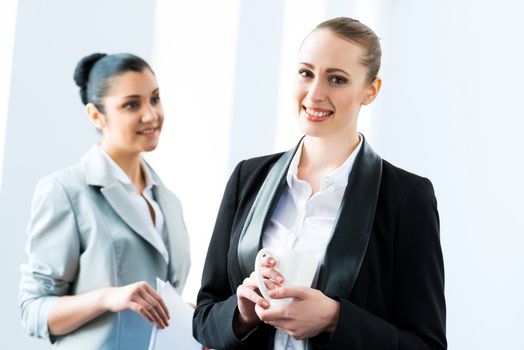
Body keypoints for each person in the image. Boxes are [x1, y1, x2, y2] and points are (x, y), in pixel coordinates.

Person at [193, 17, 446, 350]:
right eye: (306, 73)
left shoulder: (406, 198)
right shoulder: (248, 178)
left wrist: (335, 318)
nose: (314, 94)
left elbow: (426, 344)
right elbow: (204, 319)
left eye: (337, 79)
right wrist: (242, 314)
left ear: (370, 90)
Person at [19, 53, 191, 349]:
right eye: (131, 104)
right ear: (96, 115)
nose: (151, 115)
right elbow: (33, 311)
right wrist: (108, 297)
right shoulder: (66, 191)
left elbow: (162, 301)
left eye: (155, 98)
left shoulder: (169, 202)